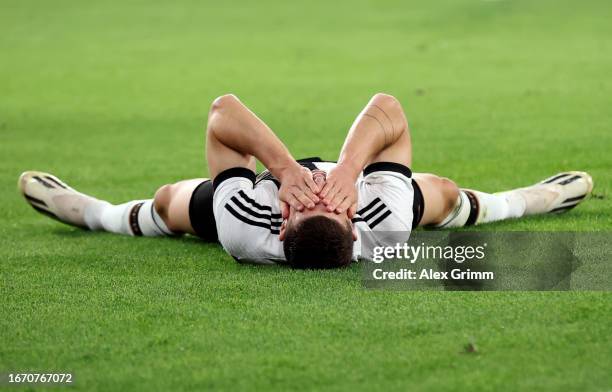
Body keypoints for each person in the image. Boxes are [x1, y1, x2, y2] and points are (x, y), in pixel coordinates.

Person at [18, 93, 593, 268]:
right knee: (437, 194)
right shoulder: (381, 224)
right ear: (352, 219)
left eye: (310, 202)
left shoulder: (247, 228)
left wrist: (285, 173)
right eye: (332, 202)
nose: (319, 198)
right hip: (344, 191)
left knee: (173, 204)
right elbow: (389, 111)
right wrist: (347, 172)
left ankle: (92, 212)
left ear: (282, 221)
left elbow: (223, 116)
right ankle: (530, 200)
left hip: (262, 187)